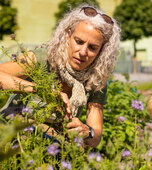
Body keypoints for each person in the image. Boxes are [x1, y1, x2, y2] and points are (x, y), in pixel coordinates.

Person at [0, 4, 121, 148]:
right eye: (79, 41)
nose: (83, 52)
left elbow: (95, 138)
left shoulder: (96, 78)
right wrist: (42, 90)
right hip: (12, 131)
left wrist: (87, 131)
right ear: (68, 35)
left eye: (92, 48)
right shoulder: (44, 57)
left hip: (50, 146)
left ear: (101, 51)